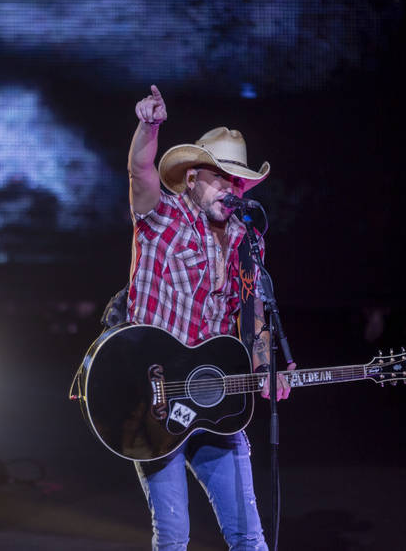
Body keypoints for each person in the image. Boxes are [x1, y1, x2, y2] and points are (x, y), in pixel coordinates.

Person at [126, 84, 295, 551]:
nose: (231, 189)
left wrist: (264, 366)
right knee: (174, 537)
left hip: (215, 399)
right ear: (195, 177)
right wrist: (149, 126)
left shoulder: (247, 240)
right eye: (222, 177)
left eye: (238, 181)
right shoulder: (164, 216)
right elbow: (140, 172)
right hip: (155, 398)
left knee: (248, 537)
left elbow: (255, 314)